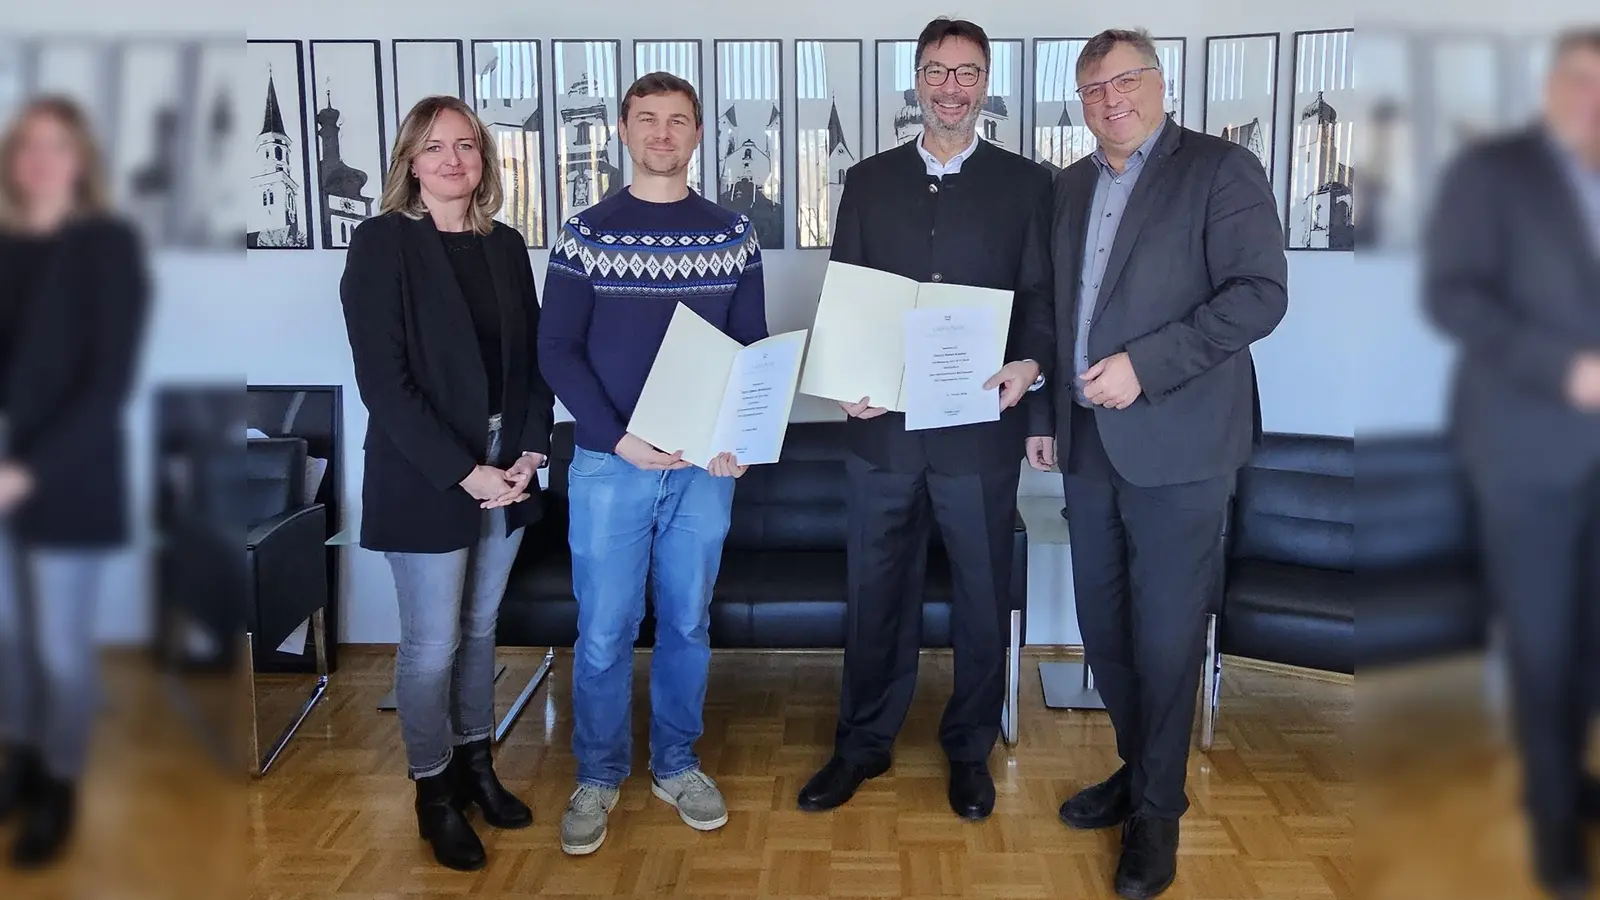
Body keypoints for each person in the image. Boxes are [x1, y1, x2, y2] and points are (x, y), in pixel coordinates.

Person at [1029, 28, 1287, 900]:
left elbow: (1260, 294)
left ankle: (1159, 815)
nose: (1112, 99)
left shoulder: (1218, 170)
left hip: (1181, 443)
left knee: (1169, 636)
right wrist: (1043, 413)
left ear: (1160, 83)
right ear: (1081, 100)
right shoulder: (1067, 188)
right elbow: (1050, 310)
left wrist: (1147, 364)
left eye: (1126, 80)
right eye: (1094, 88)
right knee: (1107, 630)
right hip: (1089, 444)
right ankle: (1138, 773)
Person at [795, 17, 1054, 822]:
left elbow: (1044, 299)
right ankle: (862, 744)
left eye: (967, 72)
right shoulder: (869, 181)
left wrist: (1031, 366)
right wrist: (842, 378)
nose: (951, 87)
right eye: (937, 72)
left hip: (982, 429)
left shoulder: (1029, 185)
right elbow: (846, 293)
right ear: (915, 81)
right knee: (876, 591)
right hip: (882, 432)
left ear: (986, 83)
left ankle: (969, 749)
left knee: (982, 594)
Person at [538, 72, 766, 856]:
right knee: (602, 630)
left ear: (697, 134)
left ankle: (676, 763)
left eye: (678, 120)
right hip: (611, 465)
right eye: (647, 120)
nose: (663, 133)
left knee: (688, 624)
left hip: (704, 468)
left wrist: (740, 436)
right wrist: (614, 437)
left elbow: (750, 354)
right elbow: (556, 350)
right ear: (624, 133)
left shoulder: (734, 233)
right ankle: (598, 775)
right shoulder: (585, 233)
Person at [338, 95, 555, 872]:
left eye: (467, 146)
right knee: (430, 645)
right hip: (430, 472)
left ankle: (477, 767)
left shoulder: (505, 246)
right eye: (435, 148)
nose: (453, 160)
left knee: (479, 632)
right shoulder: (381, 244)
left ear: (485, 161)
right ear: (410, 162)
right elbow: (384, 383)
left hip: (508, 467)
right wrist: (468, 473)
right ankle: (433, 790)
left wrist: (527, 455)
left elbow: (533, 360)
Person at [1422, 29, 1600, 900]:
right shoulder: (1493, 173)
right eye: (1578, 81)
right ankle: (1555, 829)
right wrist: (1565, 368)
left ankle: (1569, 776)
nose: (1591, 100)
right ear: (1550, 87)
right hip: (1527, 446)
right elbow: (1450, 294)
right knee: (1543, 640)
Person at [0, 95, 148, 871]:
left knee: (59, 645)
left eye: (56, 145)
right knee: (9, 642)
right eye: (27, 146)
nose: (40, 160)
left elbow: (107, 383)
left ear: (81, 157)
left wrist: (24, 470)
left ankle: (59, 782)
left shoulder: (108, 247)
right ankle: (21, 761)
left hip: (70, 476)